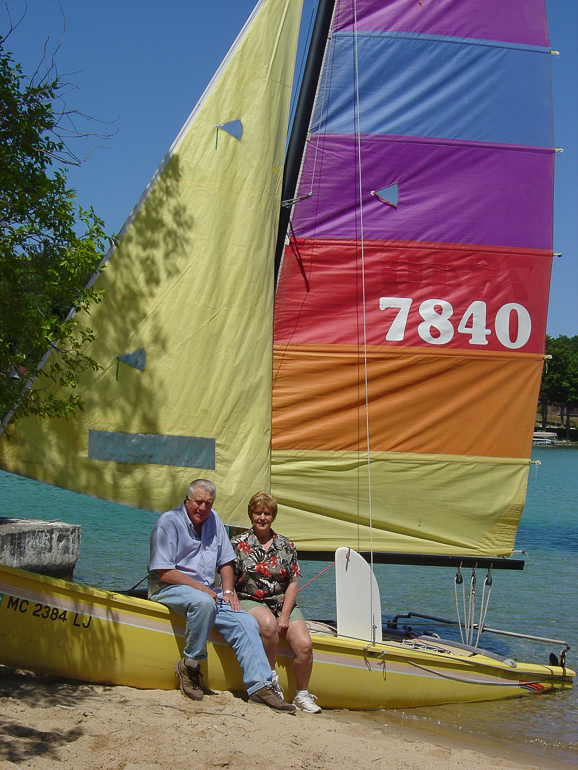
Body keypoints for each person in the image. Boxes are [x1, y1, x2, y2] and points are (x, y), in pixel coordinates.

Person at [148, 479, 295, 712]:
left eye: (208, 503)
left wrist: (228, 591)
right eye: (198, 502)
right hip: (169, 589)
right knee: (204, 602)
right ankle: (190, 665)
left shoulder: (213, 519)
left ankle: (261, 686)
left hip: (209, 593)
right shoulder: (167, 523)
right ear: (187, 500)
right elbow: (164, 572)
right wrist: (205, 590)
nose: (203, 508)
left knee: (246, 621)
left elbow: (226, 560)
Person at [230, 491, 321, 713]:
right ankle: (270, 682)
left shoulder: (286, 544)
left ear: (273, 516)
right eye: (258, 513)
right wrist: (230, 598)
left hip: (281, 601)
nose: (262, 517)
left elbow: (292, 582)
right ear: (251, 514)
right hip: (250, 599)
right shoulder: (237, 543)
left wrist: (286, 615)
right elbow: (228, 578)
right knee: (268, 625)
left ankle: (301, 694)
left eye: (267, 513)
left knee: (304, 645)